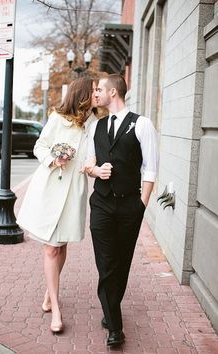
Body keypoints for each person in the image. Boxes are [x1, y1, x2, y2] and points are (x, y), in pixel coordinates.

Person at [17, 76, 97, 334]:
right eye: (94, 90)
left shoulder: (93, 125)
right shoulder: (57, 118)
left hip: (74, 191)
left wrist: (95, 167)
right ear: (82, 94)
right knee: (51, 249)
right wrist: (54, 158)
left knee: (61, 246)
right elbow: (39, 146)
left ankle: (49, 294)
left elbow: (92, 157)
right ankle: (57, 309)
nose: (97, 94)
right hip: (51, 188)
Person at [84, 74, 158, 347]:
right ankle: (115, 326)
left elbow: (150, 168)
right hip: (101, 203)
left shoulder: (142, 124)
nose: (96, 95)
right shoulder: (96, 127)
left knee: (122, 260)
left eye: (99, 90)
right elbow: (88, 163)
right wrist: (96, 171)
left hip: (130, 205)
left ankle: (109, 307)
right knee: (106, 262)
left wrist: (142, 205)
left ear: (113, 92)